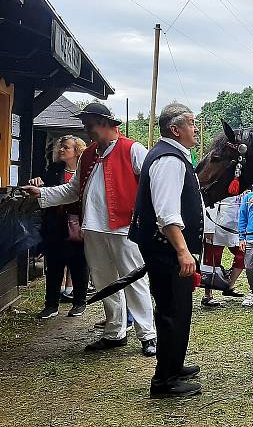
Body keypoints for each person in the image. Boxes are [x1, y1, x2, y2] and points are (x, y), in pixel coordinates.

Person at [21, 103, 157, 356]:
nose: (87, 129)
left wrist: (149, 220)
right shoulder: (89, 154)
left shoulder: (133, 149)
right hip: (93, 228)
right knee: (105, 281)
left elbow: (153, 184)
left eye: (90, 124)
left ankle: (148, 335)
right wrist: (42, 193)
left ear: (106, 123)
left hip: (124, 227)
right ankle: (115, 332)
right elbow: (72, 190)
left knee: (134, 280)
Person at [129, 103, 204, 398]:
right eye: (191, 123)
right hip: (167, 249)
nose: (196, 128)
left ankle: (173, 364)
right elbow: (167, 214)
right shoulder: (169, 160)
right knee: (173, 311)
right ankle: (165, 382)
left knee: (176, 309)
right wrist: (183, 252)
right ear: (175, 129)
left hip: (164, 248)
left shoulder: (170, 155)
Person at [30, 135, 88, 318]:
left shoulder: (86, 170)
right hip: (56, 224)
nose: (61, 150)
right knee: (54, 265)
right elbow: (45, 190)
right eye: (60, 147)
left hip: (79, 223)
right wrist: (38, 181)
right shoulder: (55, 169)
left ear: (76, 150)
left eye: (66, 147)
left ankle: (79, 302)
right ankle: (51, 305)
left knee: (79, 264)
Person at [201, 195, 246, 307]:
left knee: (244, 255)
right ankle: (208, 295)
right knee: (211, 262)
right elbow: (211, 204)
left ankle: (229, 285)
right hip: (217, 229)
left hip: (235, 229)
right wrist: (208, 228)